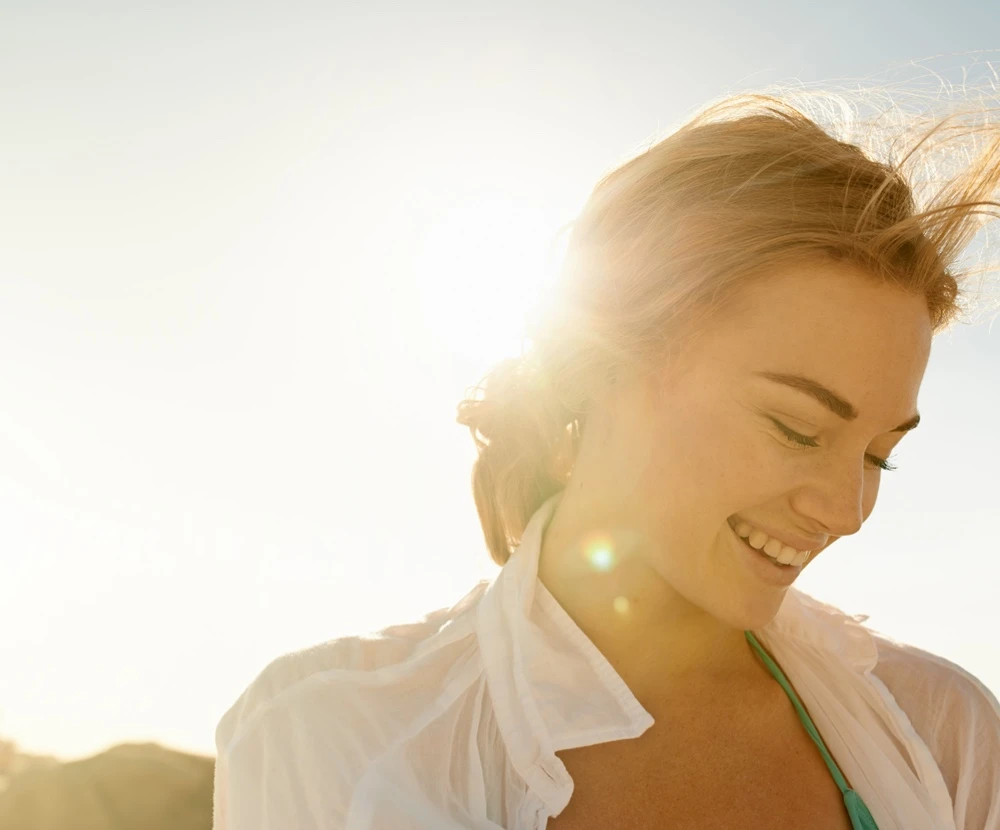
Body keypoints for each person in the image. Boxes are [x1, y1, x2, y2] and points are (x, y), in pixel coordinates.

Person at [211, 89, 1000, 829]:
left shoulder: (942, 734)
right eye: (795, 427)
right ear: (601, 366)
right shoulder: (330, 743)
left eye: (879, 456)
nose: (846, 510)